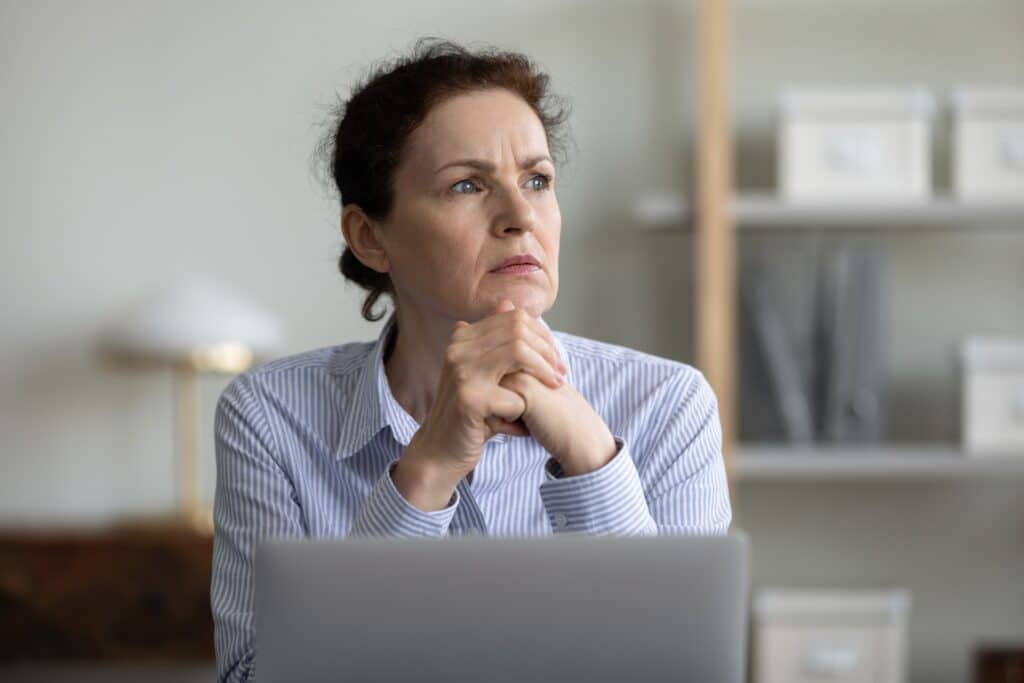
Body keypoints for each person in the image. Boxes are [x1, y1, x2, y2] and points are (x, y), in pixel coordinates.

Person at [210, 37, 732, 682]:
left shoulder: (667, 404)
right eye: (466, 185)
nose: (521, 216)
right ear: (370, 237)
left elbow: (680, 671)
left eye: (538, 180)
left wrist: (591, 458)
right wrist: (424, 474)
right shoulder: (270, 416)